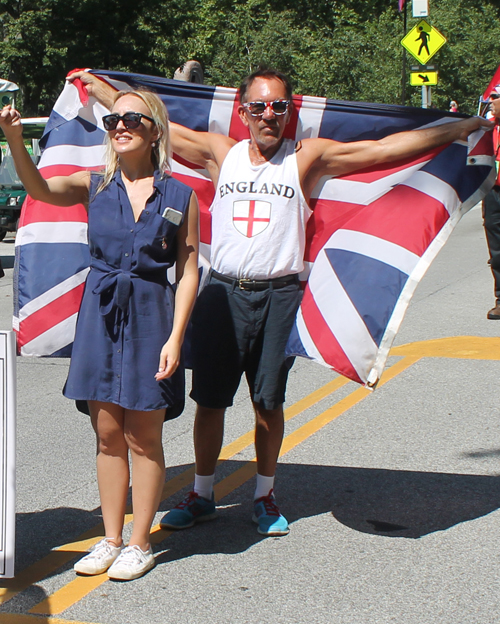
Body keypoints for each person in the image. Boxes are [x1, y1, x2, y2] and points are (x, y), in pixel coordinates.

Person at [70, 67, 492, 538]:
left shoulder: (306, 156)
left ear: (290, 111)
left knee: (267, 402)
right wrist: (100, 90)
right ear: (243, 111)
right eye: (258, 106)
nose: (267, 114)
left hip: (279, 294)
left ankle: (264, 495)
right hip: (221, 293)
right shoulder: (220, 152)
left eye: (278, 106)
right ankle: (202, 493)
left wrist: (458, 129)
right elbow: (155, 123)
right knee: (210, 401)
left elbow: (379, 151)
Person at [0, 89, 199, 579]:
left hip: (154, 313)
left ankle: (139, 542)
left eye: (131, 117)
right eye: (113, 118)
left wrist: (176, 338)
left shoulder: (179, 194)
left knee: (143, 433)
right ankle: (111, 539)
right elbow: (41, 190)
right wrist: (12, 137)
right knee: (108, 431)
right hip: (101, 313)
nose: (119, 125)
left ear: (154, 128)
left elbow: (189, 266)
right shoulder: (95, 185)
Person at [482, 86, 500, 319]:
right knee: (497, 251)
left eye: (495, 97)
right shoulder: (487, 129)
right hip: (493, 193)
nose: (491, 102)